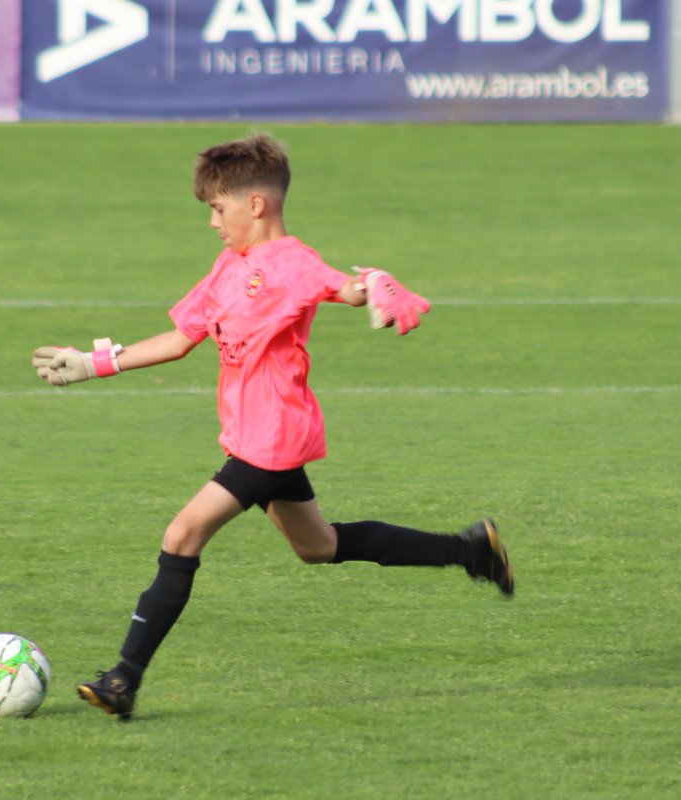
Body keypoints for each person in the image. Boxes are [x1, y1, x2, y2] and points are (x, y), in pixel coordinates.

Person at [32, 133, 513, 721]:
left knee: (182, 536)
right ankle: (470, 550)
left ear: (255, 204)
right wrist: (92, 363)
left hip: (272, 438)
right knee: (319, 547)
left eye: (218, 208)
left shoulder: (291, 262)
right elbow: (181, 338)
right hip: (252, 435)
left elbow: (343, 288)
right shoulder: (228, 267)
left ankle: (123, 679)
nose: (212, 221)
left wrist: (374, 284)